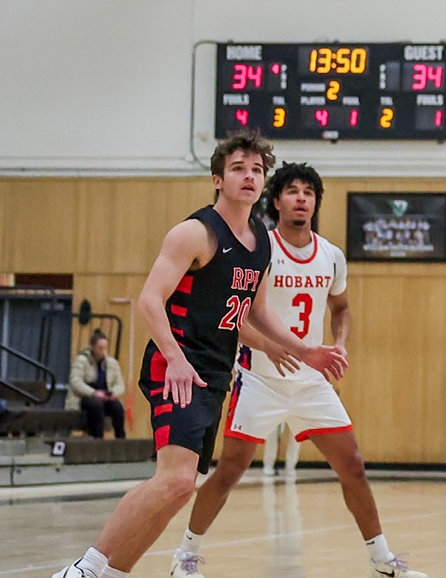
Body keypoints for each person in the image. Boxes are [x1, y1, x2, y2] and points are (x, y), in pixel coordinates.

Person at [50, 132, 347, 578]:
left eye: (256, 170)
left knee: (181, 488)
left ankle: (113, 572)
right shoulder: (196, 232)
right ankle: (85, 568)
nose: (249, 176)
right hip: (177, 364)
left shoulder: (262, 241)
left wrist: (307, 350)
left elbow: (258, 312)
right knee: (175, 479)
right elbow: (150, 300)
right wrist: (174, 357)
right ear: (217, 178)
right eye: (238, 169)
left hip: (214, 370)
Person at [172, 162, 423, 578]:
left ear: (316, 203)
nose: (301, 198)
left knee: (353, 467)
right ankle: (185, 556)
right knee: (230, 471)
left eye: (308, 192)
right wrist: (275, 347)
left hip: (310, 381)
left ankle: (383, 560)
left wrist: (338, 345)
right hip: (259, 379)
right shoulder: (259, 248)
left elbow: (341, 309)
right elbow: (239, 317)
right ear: (276, 200)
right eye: (293, 191)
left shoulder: (331, 256)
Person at [68, 332, 128, 439]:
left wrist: (114, 393)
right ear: (93, 347)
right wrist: (94, 393)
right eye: (100, 348)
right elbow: (76, 382)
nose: (102, 351)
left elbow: (120, 384)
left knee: (117, 407)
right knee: (96, 405)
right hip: (86, 396)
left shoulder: (111, 363)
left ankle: (121, 439)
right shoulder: (81, 361)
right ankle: (98, 438)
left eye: (104, 348)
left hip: (105, 395)